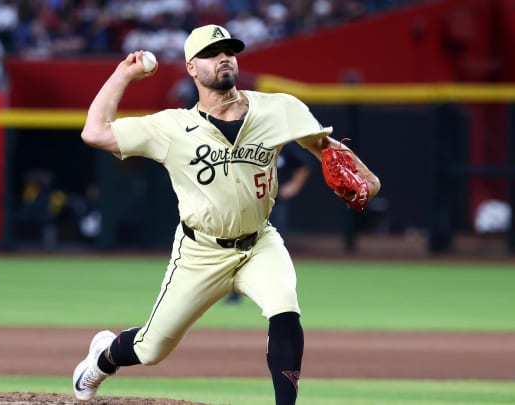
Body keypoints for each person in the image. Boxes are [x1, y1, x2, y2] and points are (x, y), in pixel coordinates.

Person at [73, 24, 381, 404]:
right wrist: (124, 73)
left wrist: (370, 181)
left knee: (285, 309)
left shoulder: (280, 108)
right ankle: (102, 358)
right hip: (201, 252)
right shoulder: (171, 127)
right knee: (151, 349)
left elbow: (334, 155)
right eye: (211, 53)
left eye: (229, 51)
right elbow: (94, 132)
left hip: (260, 243)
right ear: (191, 67)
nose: (223, 58)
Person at [224, 142, 312, 304]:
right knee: (241, 248)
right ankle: (235, 292)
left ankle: (277, 292)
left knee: (274, 249)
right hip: (250, 206)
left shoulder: (284, 144)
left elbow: (304, 164)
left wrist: (294, 186)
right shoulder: (250, 143)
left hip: (275, 205)